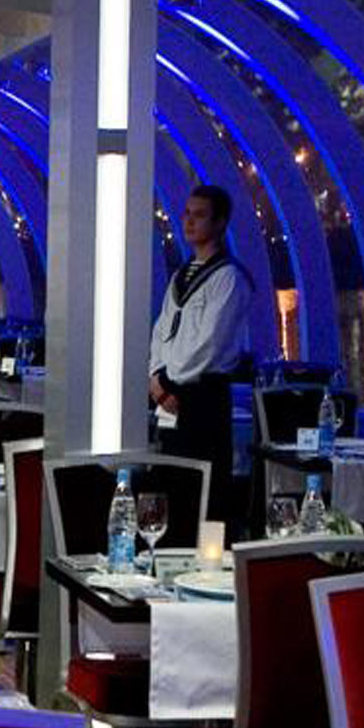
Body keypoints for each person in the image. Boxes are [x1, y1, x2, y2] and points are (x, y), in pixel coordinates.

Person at [149, 184, 251, 524]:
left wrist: (169, 380)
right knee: (172, 486)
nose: (190, 222)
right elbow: (162, 330)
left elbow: (210, 342)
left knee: (204, 493)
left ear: (219, 223)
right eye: (187, 214)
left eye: (200, 215)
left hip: (203, 394)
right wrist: (156, 377)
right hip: (169, 393)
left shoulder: (228, 278)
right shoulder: (181, 275)